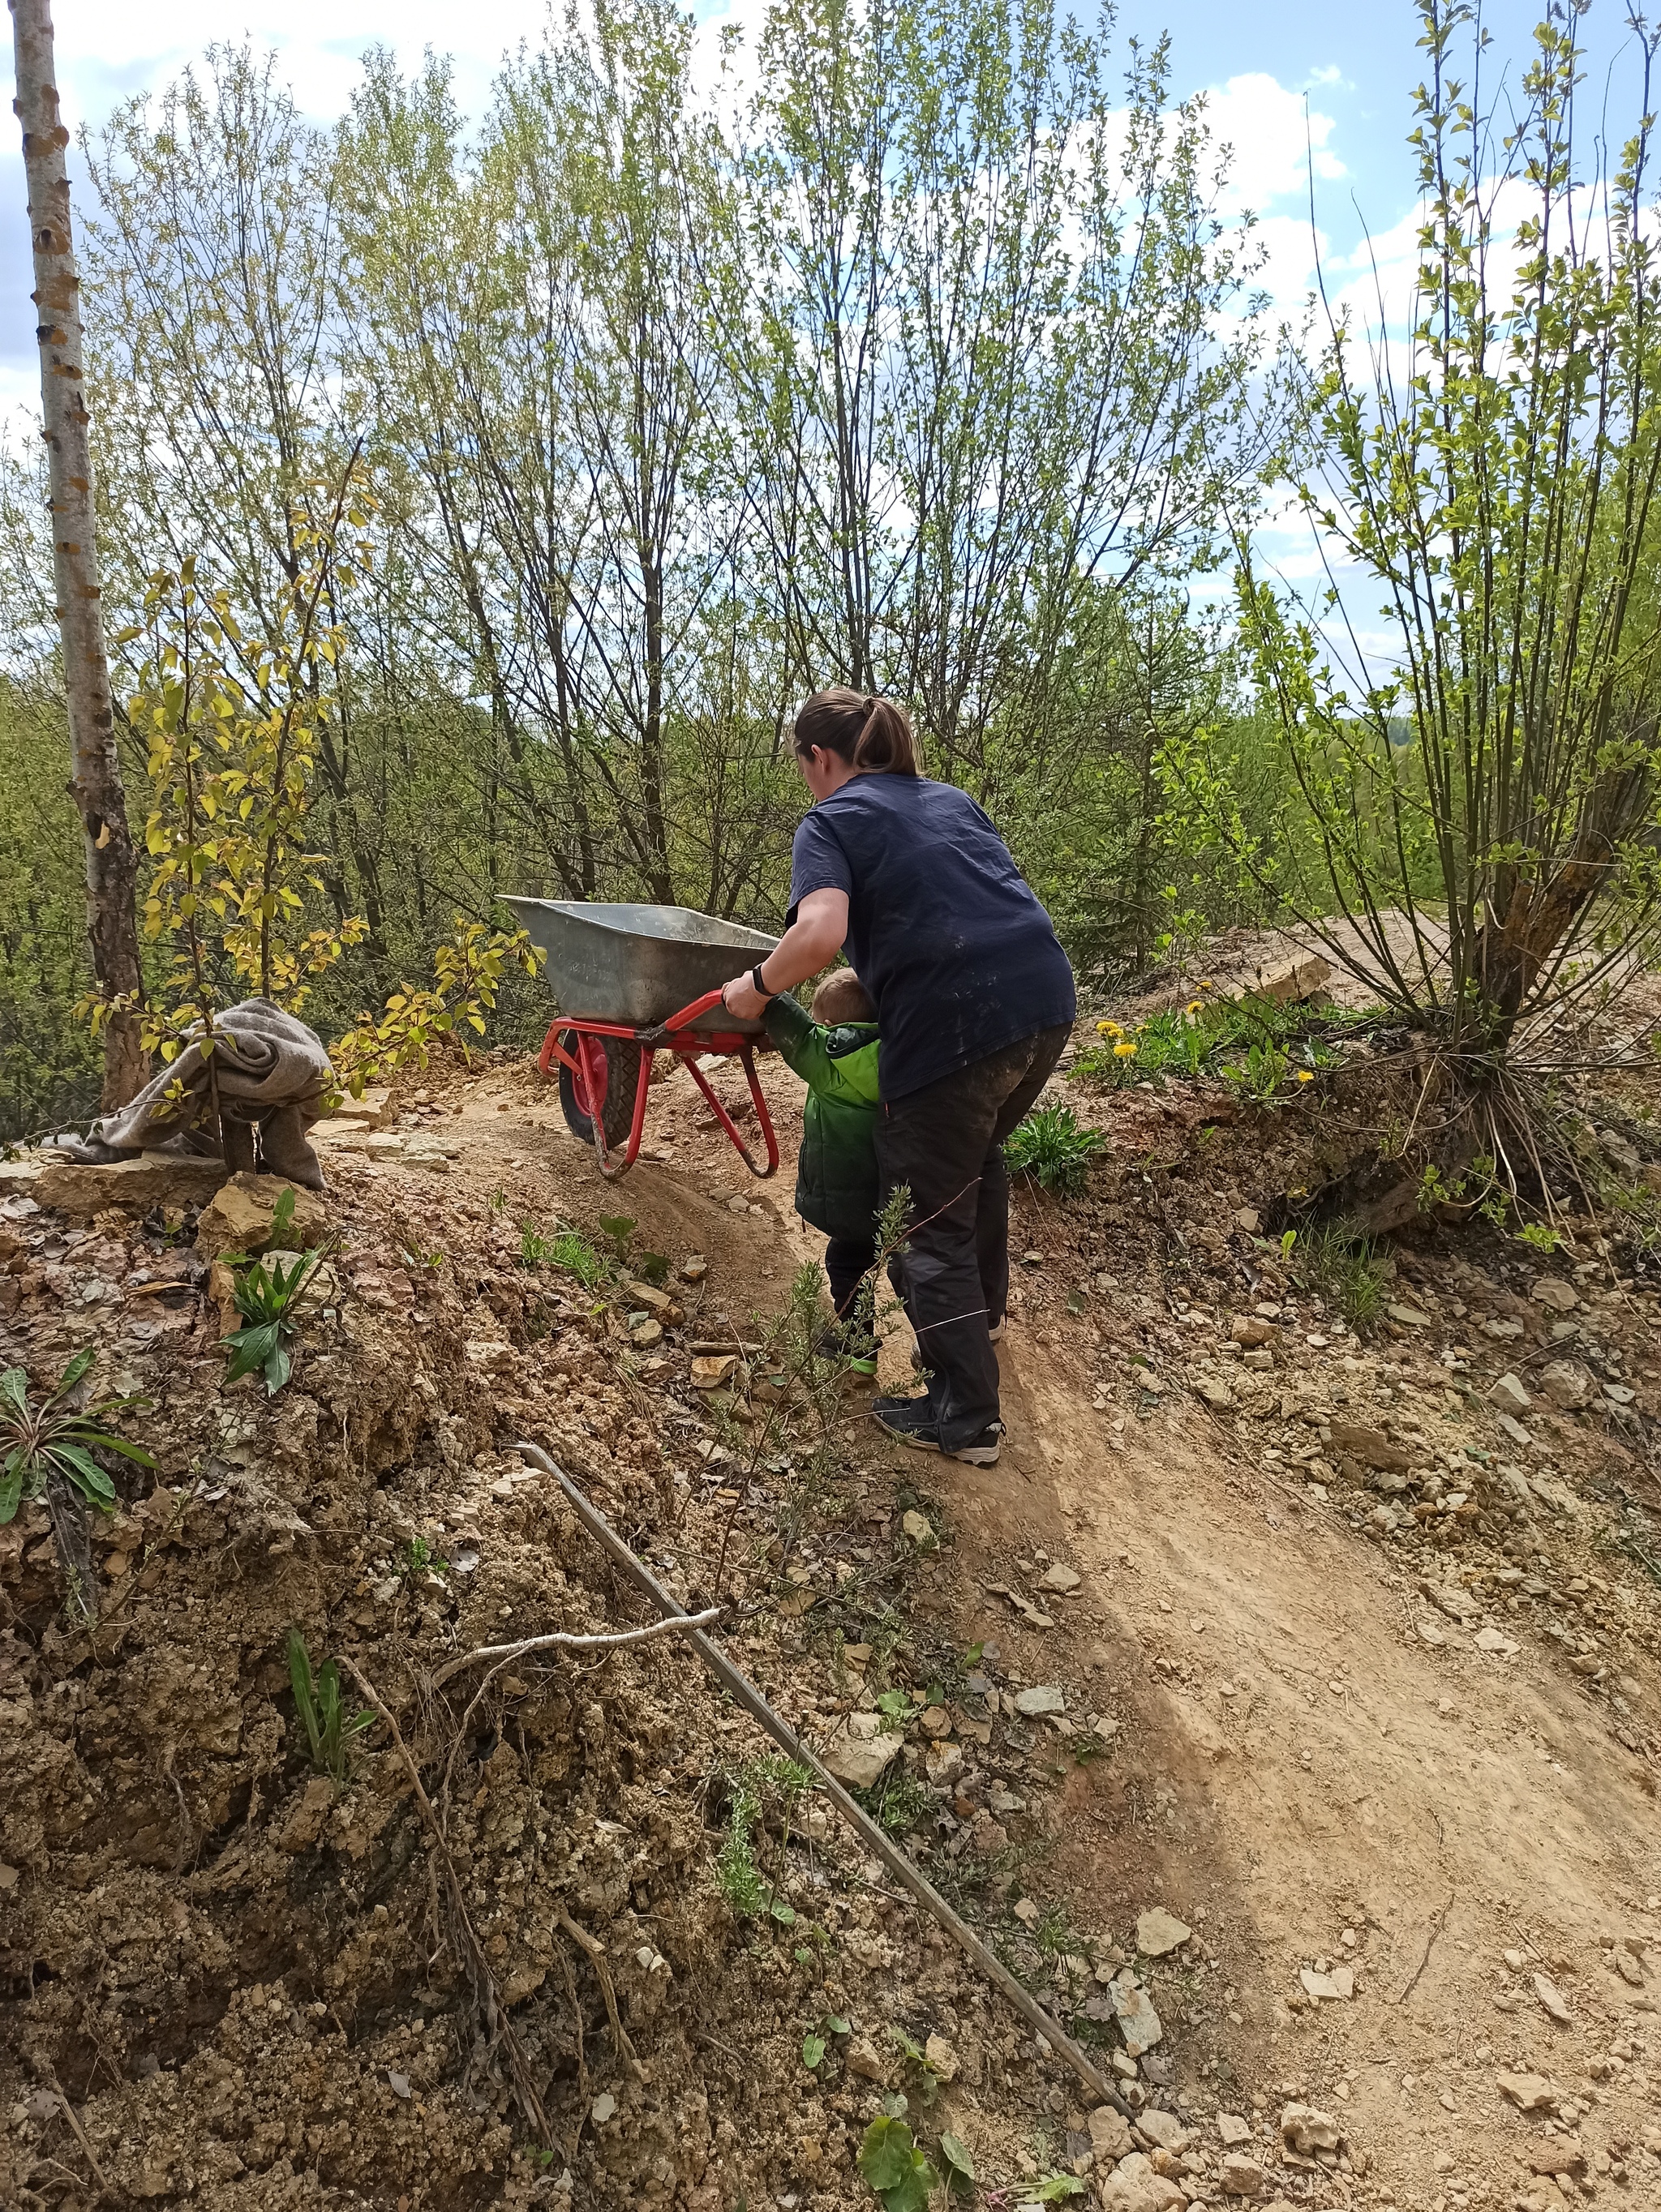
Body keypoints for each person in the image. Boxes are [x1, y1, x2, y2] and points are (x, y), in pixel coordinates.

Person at [721, 688, 1075, 1466]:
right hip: (1045, 1002)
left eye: (803, 768)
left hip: (957, 1029)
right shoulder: (950, 800)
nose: (806, 784)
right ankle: (977, 1323)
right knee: (973, 1162)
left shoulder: (831, 819)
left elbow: (820, 933)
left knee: (921, 1221)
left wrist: (758, 989)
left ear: (819, 758)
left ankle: (964, 1419)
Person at [762, 969, 882, 1373]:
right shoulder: (891, 1052)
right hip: (886, 1192)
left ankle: (859, 1349)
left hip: (848, 1193)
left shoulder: (834, 1061)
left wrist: (765, 991)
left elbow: (797, 1036)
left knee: (846, 1264)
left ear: (829, 1028)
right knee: (878, 1261)